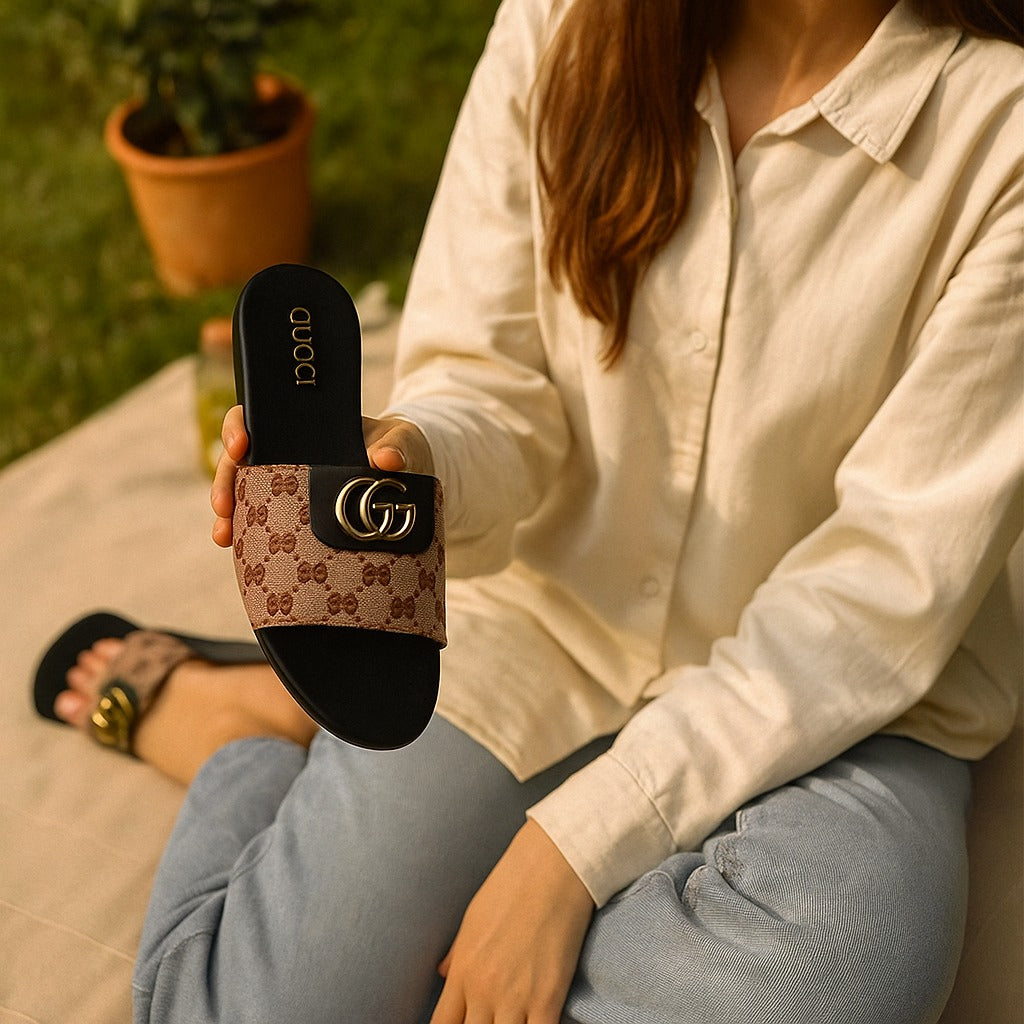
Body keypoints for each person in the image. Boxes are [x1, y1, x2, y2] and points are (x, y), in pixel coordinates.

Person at [48, 0, 1022, 1021]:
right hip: (549, 625)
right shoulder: (561, 23)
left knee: (837, 971)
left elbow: (880, 587)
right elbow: (489, 379)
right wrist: (412, 461)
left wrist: (571, 853)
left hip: (839, 701)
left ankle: (425, 892)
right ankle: (239, 734)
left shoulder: (1000, 131)